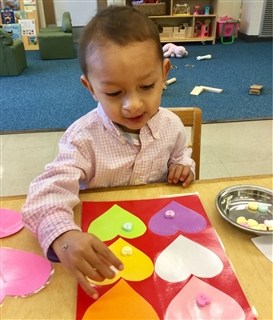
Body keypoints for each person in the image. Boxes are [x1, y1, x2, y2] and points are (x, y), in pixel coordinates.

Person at [22, 5, 195, 300]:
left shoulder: (172, 126)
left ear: (164, 74)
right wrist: (65, 237)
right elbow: (43, 197)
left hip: (159, 235)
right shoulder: (82, 139)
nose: (133, 105)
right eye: (114, 93)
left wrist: (182, 166)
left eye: (147, 86)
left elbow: (181, 154)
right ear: (90, 88)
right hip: (104, 246)